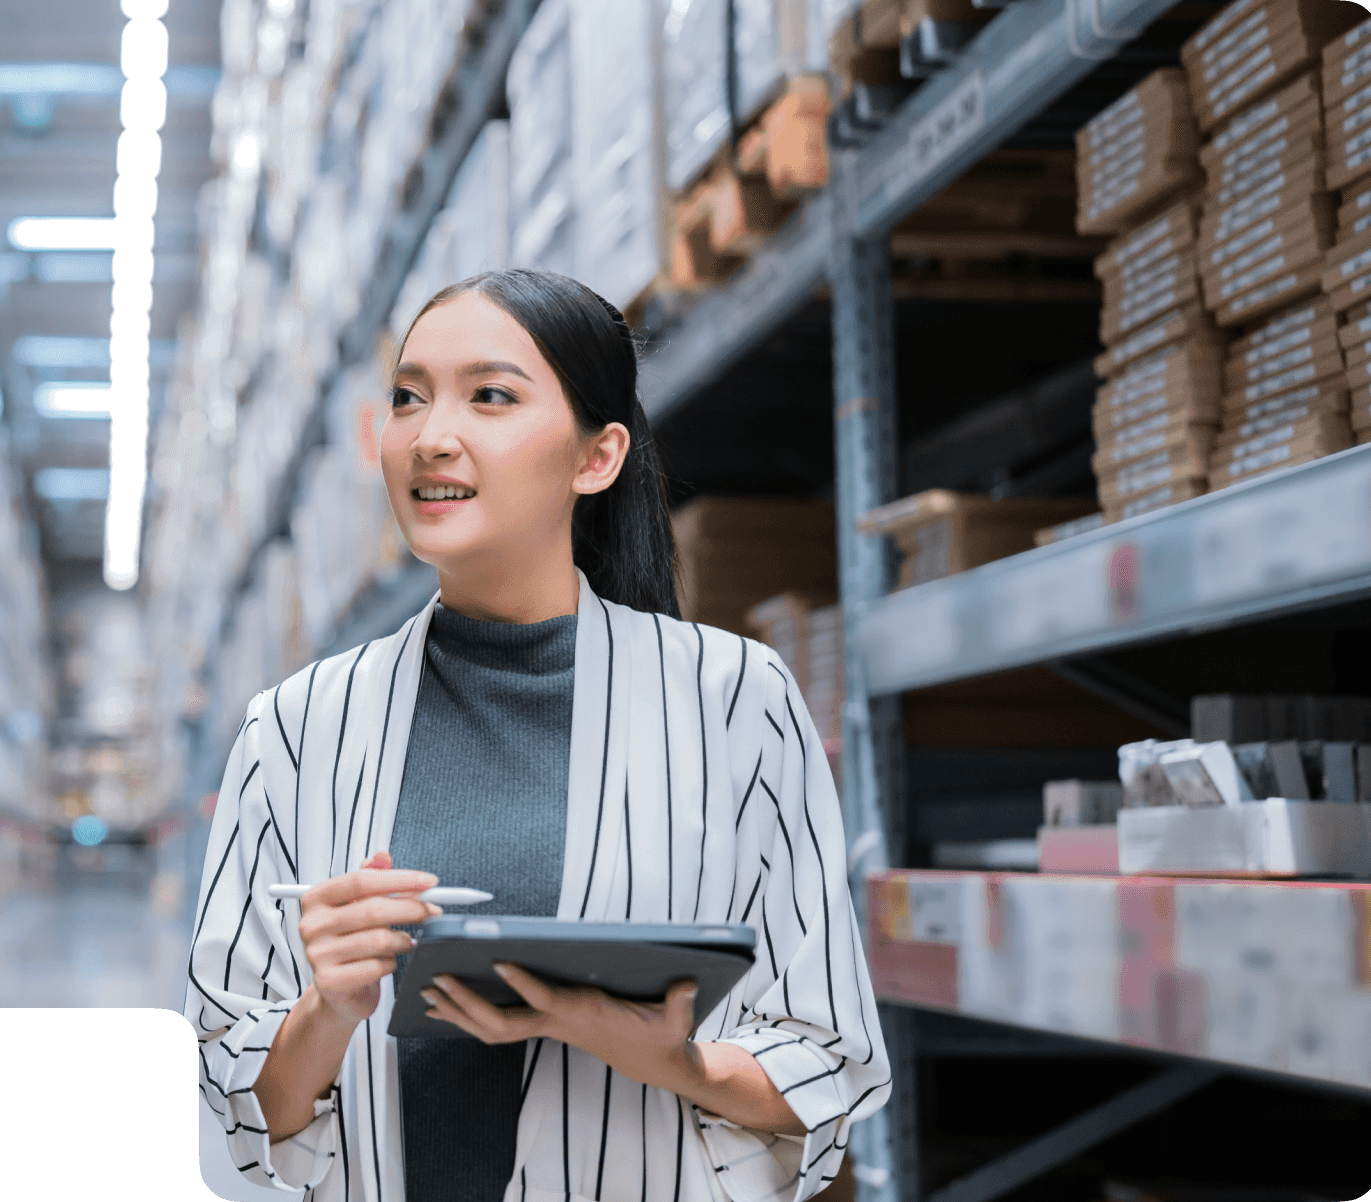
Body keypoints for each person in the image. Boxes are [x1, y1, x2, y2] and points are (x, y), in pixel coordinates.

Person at [189, 269, 890, 1202]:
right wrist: (328, 1008)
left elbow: (828, 1060)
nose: (430, 436)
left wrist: (673, 1060)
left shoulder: (734, 700)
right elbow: (235, 1108)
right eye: (408, 398)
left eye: (489, 396)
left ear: (596, 457)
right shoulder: (292, 729)